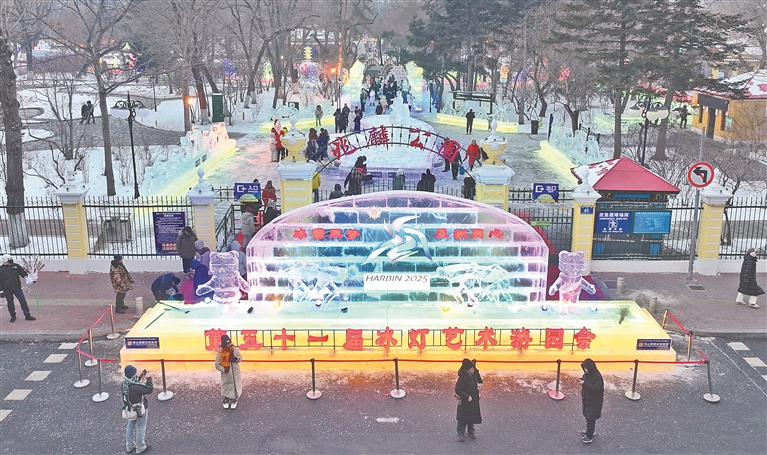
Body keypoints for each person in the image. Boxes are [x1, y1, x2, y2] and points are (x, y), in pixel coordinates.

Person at [122, 365, 153, 454]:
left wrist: (141, 376)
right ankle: (140, 447)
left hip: (129, 409)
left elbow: (135, 383)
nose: (136, 374)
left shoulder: (124, 384)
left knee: (130, 425)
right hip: (139, 409)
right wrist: (149, 378)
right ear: (132, 374)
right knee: (140, 427)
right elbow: (149, 389)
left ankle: (129, 446)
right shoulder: (135, 387)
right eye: (135, 373)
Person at [0, 255, 36, 322]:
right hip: (7, 289)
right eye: (9, 259)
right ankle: (13, 315)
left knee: (23, 300)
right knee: (10, 303)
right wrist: (1, 291)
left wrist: (28, 277)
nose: (11, 260)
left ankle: (27, 314)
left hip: (17, 288)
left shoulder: (16, 266)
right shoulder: (1, 269)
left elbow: (22, 273)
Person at [455, 358, 482, 442]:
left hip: (473, 398)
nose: (472, 369)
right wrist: (467, 396)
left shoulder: (475, 373)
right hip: (465, 400)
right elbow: (458, 390)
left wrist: (478, 392)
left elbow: (480, 381)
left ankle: (471, 431)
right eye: (470, 368)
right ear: (467, 369)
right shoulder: (462, 378)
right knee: (462, 418)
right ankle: (460, 433)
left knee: (472, 416)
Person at [578, 358, 604, 444]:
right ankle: (590, 431)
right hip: (588, 400)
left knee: (590, 419)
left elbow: (595, 388)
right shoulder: (588, 374)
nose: (585, 370)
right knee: (589, 418)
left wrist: (584, 383)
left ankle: (589, 436)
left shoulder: (597, 377)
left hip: (594, 402)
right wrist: (581, 380)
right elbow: (585, 379)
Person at [215, 334, 242, 409]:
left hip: (235, 373)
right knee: (227, 386)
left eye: (230, 343)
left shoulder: (234, 349)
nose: (229, 345)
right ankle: (226, 399)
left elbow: (240, 358)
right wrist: (224, 369)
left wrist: (236, 359)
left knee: (235, 386)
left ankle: (234, 399)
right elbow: (217, 365)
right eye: (227, 344)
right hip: (226, 375)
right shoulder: (220, 352)